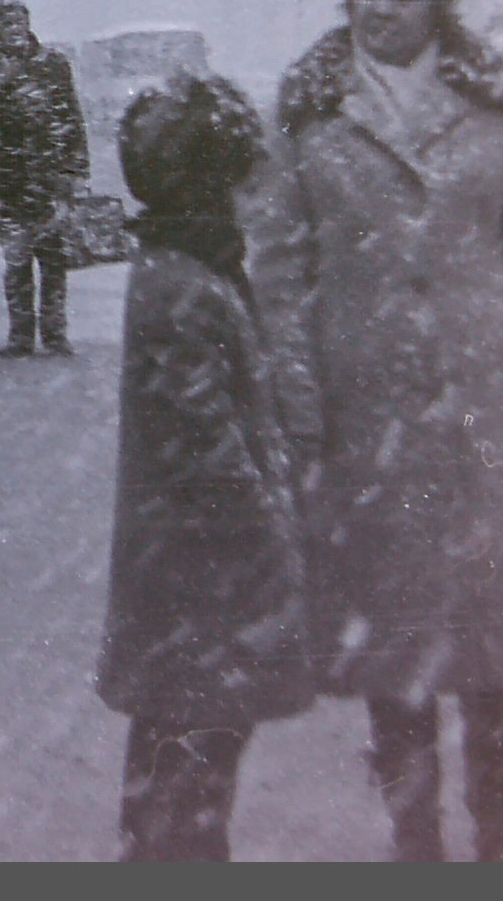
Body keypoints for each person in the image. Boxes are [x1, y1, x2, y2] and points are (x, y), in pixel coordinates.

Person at [251, 0, 503, 862]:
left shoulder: (492, 102)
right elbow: (277, 264)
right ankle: (416, 837)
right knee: (392, 647)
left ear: (437, 6)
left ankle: (501, 833)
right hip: (364, 419)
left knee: (496, 644)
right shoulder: (312, 106)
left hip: (481, 417)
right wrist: (297, 394)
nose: (381, 11)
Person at [98, 74, 313, 861]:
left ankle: (158, 843)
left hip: (185, 565)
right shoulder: (186, 285)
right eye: (240, 179)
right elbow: (204, 439)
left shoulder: (186, 266)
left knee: (178, 728)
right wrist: (263, 527)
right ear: (209, 182)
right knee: (199, 736)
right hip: (204, 566)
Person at [0, 0, 91, 357]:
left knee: (54, 259)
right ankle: (20, 334)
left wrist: (76, 169)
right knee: (16, 261)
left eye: (19, 21)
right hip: (7, 179)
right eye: (7, 23)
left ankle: (55, 331)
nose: (15, 28)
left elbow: (73, 119)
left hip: (50, 178)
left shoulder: (53, 65)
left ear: (29, 24)